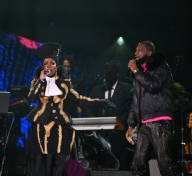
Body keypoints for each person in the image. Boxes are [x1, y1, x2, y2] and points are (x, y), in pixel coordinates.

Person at [25, 42, 115, 176]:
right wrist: (41, 80)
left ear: (57, 66)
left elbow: (79, 99)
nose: (49, 66)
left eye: (52, 63)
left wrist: (100, 102)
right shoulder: (37, 82)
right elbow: (31, 98)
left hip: (60, 127)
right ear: (42, 67)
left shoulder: (64, 84)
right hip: (41, 128)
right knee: (40, 162)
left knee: (58, 161)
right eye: (46, 63)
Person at [125, 41, 176, 176]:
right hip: (144, 123)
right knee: (137, 163)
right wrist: (130, 125)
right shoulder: (138, 74)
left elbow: (153, 86)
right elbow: (135, 102)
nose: (136, 53)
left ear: (149, 53)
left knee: (164, 163)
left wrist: (136, 70)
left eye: (139, 50)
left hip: (160, 121)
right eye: (135, 50)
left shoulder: (161, 67)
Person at [83, 61, 133, 170]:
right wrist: (94, 121)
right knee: (101, 165)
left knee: (119, 164)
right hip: (99, 135)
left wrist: (121, 122)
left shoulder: (127, 89)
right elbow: (87, 108)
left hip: (119, 136)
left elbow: (130, 109)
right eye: (105, 74)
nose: (107, 76)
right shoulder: (95, 90)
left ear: (117, 74)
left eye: (110, 73)